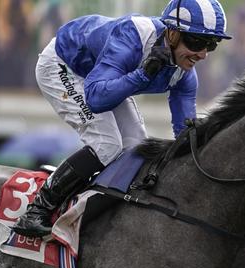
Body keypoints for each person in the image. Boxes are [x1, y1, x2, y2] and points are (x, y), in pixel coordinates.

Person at [13, 0, 232, 237]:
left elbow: (185, 134)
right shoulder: (133, 35)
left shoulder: (185, 75)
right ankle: (37, 209)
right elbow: (96, 98)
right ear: (172, 33)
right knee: (107, 146)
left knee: (137, 151)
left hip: (100, 78)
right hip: (63, 66)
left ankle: (99, 208)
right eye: (197, 42)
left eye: (212, 44)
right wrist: (141, 75)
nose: (203, 54)